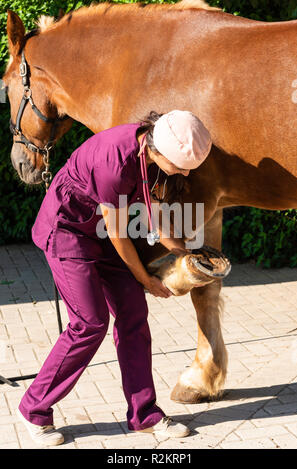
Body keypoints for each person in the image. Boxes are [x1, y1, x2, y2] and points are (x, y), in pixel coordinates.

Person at [17, 110, 212, 446]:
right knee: (90, 324)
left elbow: (155, 216)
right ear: (160, 150)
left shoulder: (149, 150)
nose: (183, 172)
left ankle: (144, 415)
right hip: (66, 232)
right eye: (181, 166)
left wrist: (186, 253)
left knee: (133, 313)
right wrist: (147, 281)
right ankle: (34, 409)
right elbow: (119, 232)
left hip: (97, 232)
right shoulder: (115, 163)